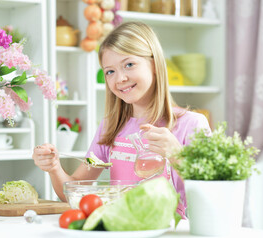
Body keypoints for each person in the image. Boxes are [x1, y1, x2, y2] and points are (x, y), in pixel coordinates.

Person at [33, 21, 211, 218]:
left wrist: (177, 154)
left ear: (154, 64)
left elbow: (212, 194)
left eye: (129, 65)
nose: (120, 79)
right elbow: (73, 192)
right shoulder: (109, 128)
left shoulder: (192, 124)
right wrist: (54, 168)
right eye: (110, 71)